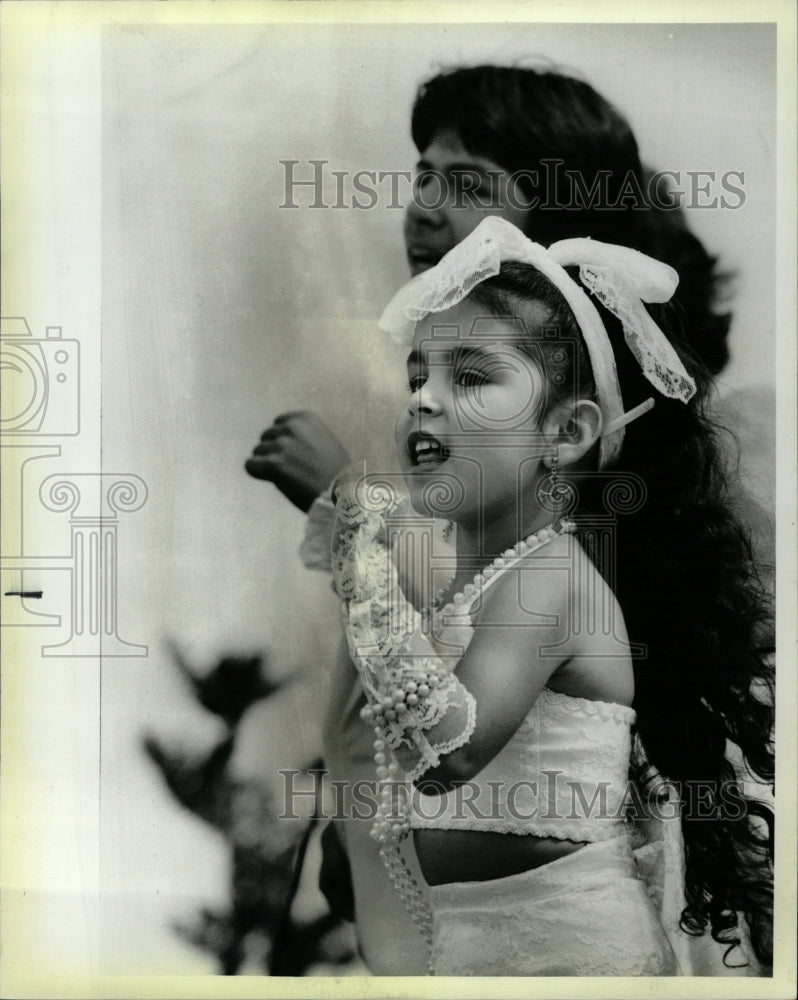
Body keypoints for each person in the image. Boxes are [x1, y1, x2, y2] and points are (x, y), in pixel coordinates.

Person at [245, 66, 756, 974]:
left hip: (565, 886)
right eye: (423, 176)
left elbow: (517, 630)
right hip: (442, 878)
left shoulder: (616, 441)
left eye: (472, 185)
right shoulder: (429, 391)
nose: (428, 208)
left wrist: (353, 503)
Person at [328, 216, 774, 976]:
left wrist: (368, 576)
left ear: (565, 434)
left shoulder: (554, 578)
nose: (422, 401)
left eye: (469, 377)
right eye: (417, 376)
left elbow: (450, 747)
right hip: (464, 945)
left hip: (565, 950)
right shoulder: (466, 583)